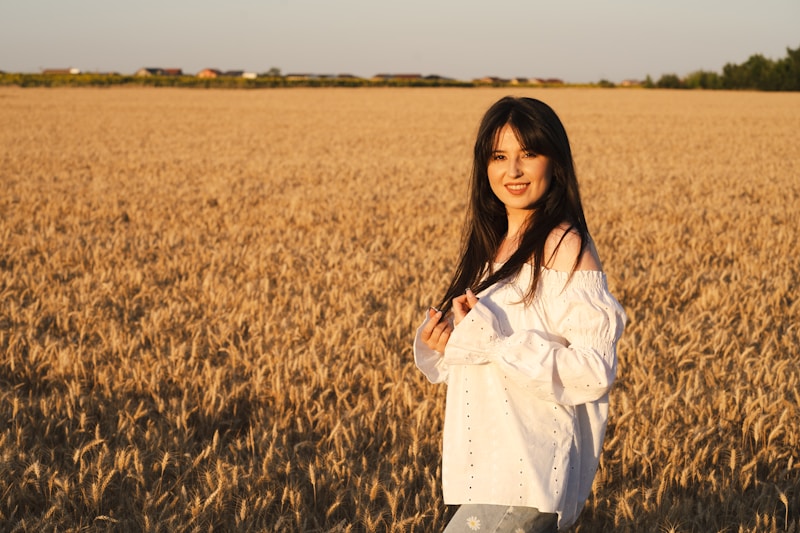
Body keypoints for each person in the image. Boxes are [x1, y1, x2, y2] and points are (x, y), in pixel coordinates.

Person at [414, 96, 626, 532]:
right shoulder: (491, 247)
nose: (512, 171)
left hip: (525, 474)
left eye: (528, 154)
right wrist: (450, 346)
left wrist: (496, 343)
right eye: (499, 156)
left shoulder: (564, 245)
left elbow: (594, 369)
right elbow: (495, 371)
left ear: (555, 162)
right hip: (477, 472)